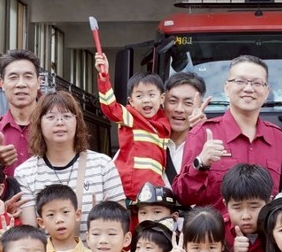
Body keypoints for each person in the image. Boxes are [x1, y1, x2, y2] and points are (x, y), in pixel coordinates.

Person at [175, 56, 282, 208]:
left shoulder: (277, 137)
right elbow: (184, 197)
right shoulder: (202, 133)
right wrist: (201, 163)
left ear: (267, 91)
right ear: (226, 87)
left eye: (257, 83)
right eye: (240, 81)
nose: (249, 89)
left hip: (266, 231)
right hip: (219, 231)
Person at [13, 91, 123, 232]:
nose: (60, 122)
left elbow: (119, 223)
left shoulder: (103, 165)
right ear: (39, 123)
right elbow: (31, 233)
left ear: (78, 122)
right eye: (51, 117)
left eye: (66, 116)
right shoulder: (24, 173)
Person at [96, 52, 176, 200]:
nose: (146, 100)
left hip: (155, 188)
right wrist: (104, 78)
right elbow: (110, 107)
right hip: (132, 190)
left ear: (162, 98)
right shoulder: (131, 117)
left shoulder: (165, 122)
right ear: (131, 101)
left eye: (151, 95)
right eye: (139, 96)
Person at [0, 48, 42, 176]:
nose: (21, 84)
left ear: (38, 83)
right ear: (2, 84)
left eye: (28, 77)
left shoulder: (54, 127)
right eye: (13, 77)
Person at [221, 163, 273, 252]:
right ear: (225, 204)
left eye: (254, 207)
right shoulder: (218, 231)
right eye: (237, 207)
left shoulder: (277, 229)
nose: (246, 216)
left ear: (269, 202)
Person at [36, 184, 92, 252]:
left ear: (77, 215)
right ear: (41, 222)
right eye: (51, 215)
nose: (59, 220)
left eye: (65, 212)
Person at [160, 71, 208, 184]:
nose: (179, 109)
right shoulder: (145, 139)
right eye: (173, 101)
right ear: (162, 101)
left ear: (201, 106)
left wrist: (203, 130)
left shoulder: (207, 145)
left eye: (188, 103)